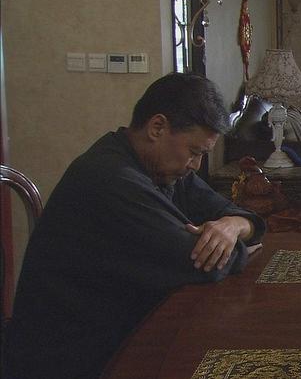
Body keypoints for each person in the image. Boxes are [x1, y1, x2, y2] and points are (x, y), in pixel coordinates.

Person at [2, 73, 267, 378]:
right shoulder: (110, 179)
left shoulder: (162, 168)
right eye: (194, 152)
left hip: (116, 336)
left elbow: (242, 217)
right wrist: (239, 247)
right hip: (69, 361)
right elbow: (199, 263)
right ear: (157, 128)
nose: (195, 165)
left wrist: (233, 225)